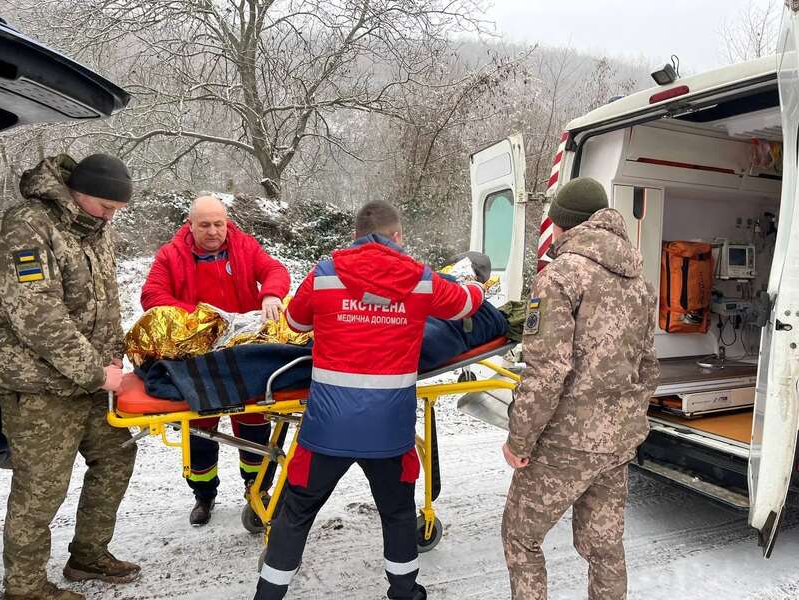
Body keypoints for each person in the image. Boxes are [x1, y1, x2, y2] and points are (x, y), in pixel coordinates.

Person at [253, 201, 485, 600]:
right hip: (389, 432)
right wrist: (479, 286)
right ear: (397, 236)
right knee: (397, 513)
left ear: (356, 236)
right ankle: (405, 591)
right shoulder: (420, 279)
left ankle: (268, 595)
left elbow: (294, 322)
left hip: (326, 430)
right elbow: (465, 304)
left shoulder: (324, 274)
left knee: (297, 512)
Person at [501, 177, 660, 600]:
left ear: (562, 223)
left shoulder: (560, 276)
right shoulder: (639, 281)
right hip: (616, 441)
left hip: (565, 443)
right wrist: (627, 422)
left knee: (520, 537)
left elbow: (547, 372)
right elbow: (648, 366)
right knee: (604, 547)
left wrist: (519, 440)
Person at [0, 154, 140, 600]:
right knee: (41, 487)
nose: (111, 216)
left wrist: (114, 357)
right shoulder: (28, 226)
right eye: (106, 206)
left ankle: (88, 555)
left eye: (117, 209)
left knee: (116, 456)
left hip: (92, 381)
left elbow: (106, 301)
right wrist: (96, 372)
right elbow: (36, 314)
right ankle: (24, 588)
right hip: (39, 386)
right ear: (78, 193)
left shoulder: (94, 227)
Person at [140, 195, 290, 526]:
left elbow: (274, 270)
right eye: (205, 225)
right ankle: (203, 495)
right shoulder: (170, 255)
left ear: (227, 222)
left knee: (254, 425)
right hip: (197, 356)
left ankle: (257, 489)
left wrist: (271, 293)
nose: (213, 231)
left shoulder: (244, 246)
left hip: (244, 352)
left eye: (218, 224)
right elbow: (152, 295)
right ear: (190, 225)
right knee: (200, 431)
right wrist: (201, 318)